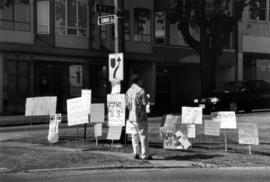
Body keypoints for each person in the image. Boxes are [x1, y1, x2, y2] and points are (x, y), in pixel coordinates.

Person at [126, 74, 152, 160]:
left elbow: (127, 105)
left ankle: (136, 153)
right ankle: (145, 155)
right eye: (141, 80)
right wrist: (148, 100)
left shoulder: (128, 91)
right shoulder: (141, 91)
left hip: (131, 117)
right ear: (138, 81)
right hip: (140, 117)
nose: (142, 82)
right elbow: (144, 102)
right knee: (143, 136)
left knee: (134, 136)